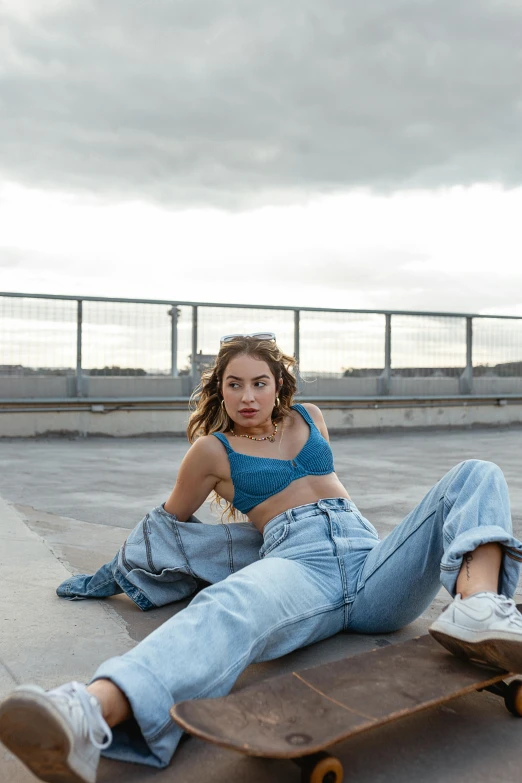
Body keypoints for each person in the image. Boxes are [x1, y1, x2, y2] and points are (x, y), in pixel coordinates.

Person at [1, 333, 522, 783]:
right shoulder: (212, 451)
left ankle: (478, 611)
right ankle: (88, 712)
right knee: (228, 604)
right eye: (234, 384)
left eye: (258, 383)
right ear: (219, 389)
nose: (247, 396)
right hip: (299, 565)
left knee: (476, 471)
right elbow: (167, 526)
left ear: (279, 385)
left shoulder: (310, 418)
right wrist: (117, 572)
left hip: (372, 561)